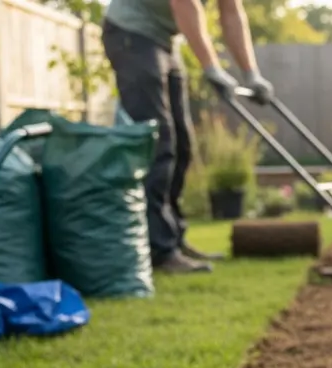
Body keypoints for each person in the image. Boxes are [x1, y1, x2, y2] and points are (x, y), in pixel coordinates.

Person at [103, 0, 273, 274]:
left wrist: (251, 74)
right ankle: (159, 251)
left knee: (182, 146)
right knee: (159, 143)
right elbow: (185, 4)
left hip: (165, 42)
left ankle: (173, 240)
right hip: (131, 33)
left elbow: (231, 13)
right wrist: (211, 67)